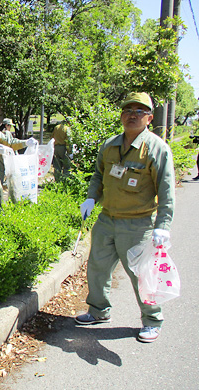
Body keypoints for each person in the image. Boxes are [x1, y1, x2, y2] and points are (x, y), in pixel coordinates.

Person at [76, 92, 175, 343]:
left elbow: (166, 191)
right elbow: (99, 175)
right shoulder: (110, 145)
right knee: (97, 268)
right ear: (121, 115)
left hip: (137, 224)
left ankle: (152, 320)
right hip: (107, 219)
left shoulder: (156, 149)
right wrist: (91, 197)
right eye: (128, 110)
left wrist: (163, 226)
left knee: (142, 275)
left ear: (149, 118)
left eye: (139, 111)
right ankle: (99, 311)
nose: (133, 114)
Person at [0, 118, 16, 188]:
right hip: (6, 154)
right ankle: (7, 184)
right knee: (9, 170)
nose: (10, 127)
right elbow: (9, 143)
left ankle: (0, 184)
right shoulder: (7, 133)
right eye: (10, 125)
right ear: (6, 125)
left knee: (1, 170)